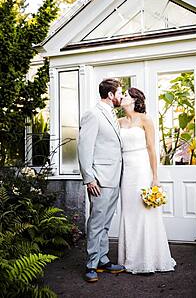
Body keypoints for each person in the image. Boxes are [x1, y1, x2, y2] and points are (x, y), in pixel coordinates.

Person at [118, 87, 176, 274]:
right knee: (129, 213)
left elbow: (152, 149)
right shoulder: (117, 121)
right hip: (125, 171)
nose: (123, 97)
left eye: (126, 95)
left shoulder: (145, 119)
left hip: (142, 169)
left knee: (145, 211)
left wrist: (155, 177)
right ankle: (130, 258)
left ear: (135, 100)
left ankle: (150, 258)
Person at [78, 78, 125, 283]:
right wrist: (89, 178)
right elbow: (84, 148)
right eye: (120, 93)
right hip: (99, 179)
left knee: (106, 222)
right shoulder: (93, 114)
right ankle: (91, 264)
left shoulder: (112, 114)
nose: (122, 97)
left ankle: (103, 259)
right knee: (96, 222)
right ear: (111, 95)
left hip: (114, 177)